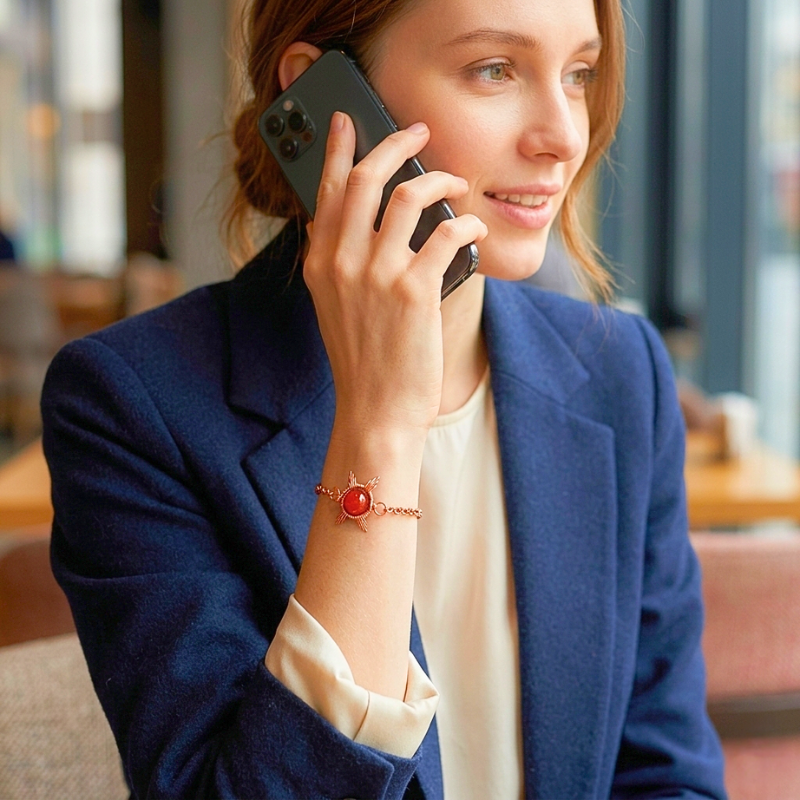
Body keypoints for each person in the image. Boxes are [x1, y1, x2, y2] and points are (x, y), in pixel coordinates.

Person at [41, 0, 727, 797]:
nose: (563, 136)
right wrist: (379, 425)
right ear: (327, 100)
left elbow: (667, 775)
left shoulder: (620, 374)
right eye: (494, 69)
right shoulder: (131, 405)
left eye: (578, 73)